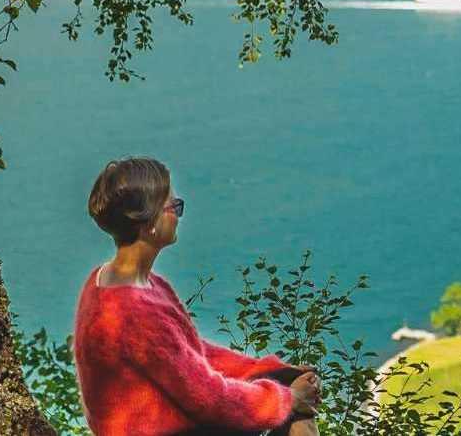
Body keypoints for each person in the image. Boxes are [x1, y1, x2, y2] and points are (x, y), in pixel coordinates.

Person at [73, 157, 320, 436]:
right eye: (173, 207)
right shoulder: (134, 311)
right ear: (148, 221)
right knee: (293, 410)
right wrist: (287, 400)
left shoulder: (113, 280)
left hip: (169, 420)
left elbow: (191, 353)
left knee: (287, 385)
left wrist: (270, 370)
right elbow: (207, 397)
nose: (178, 215)